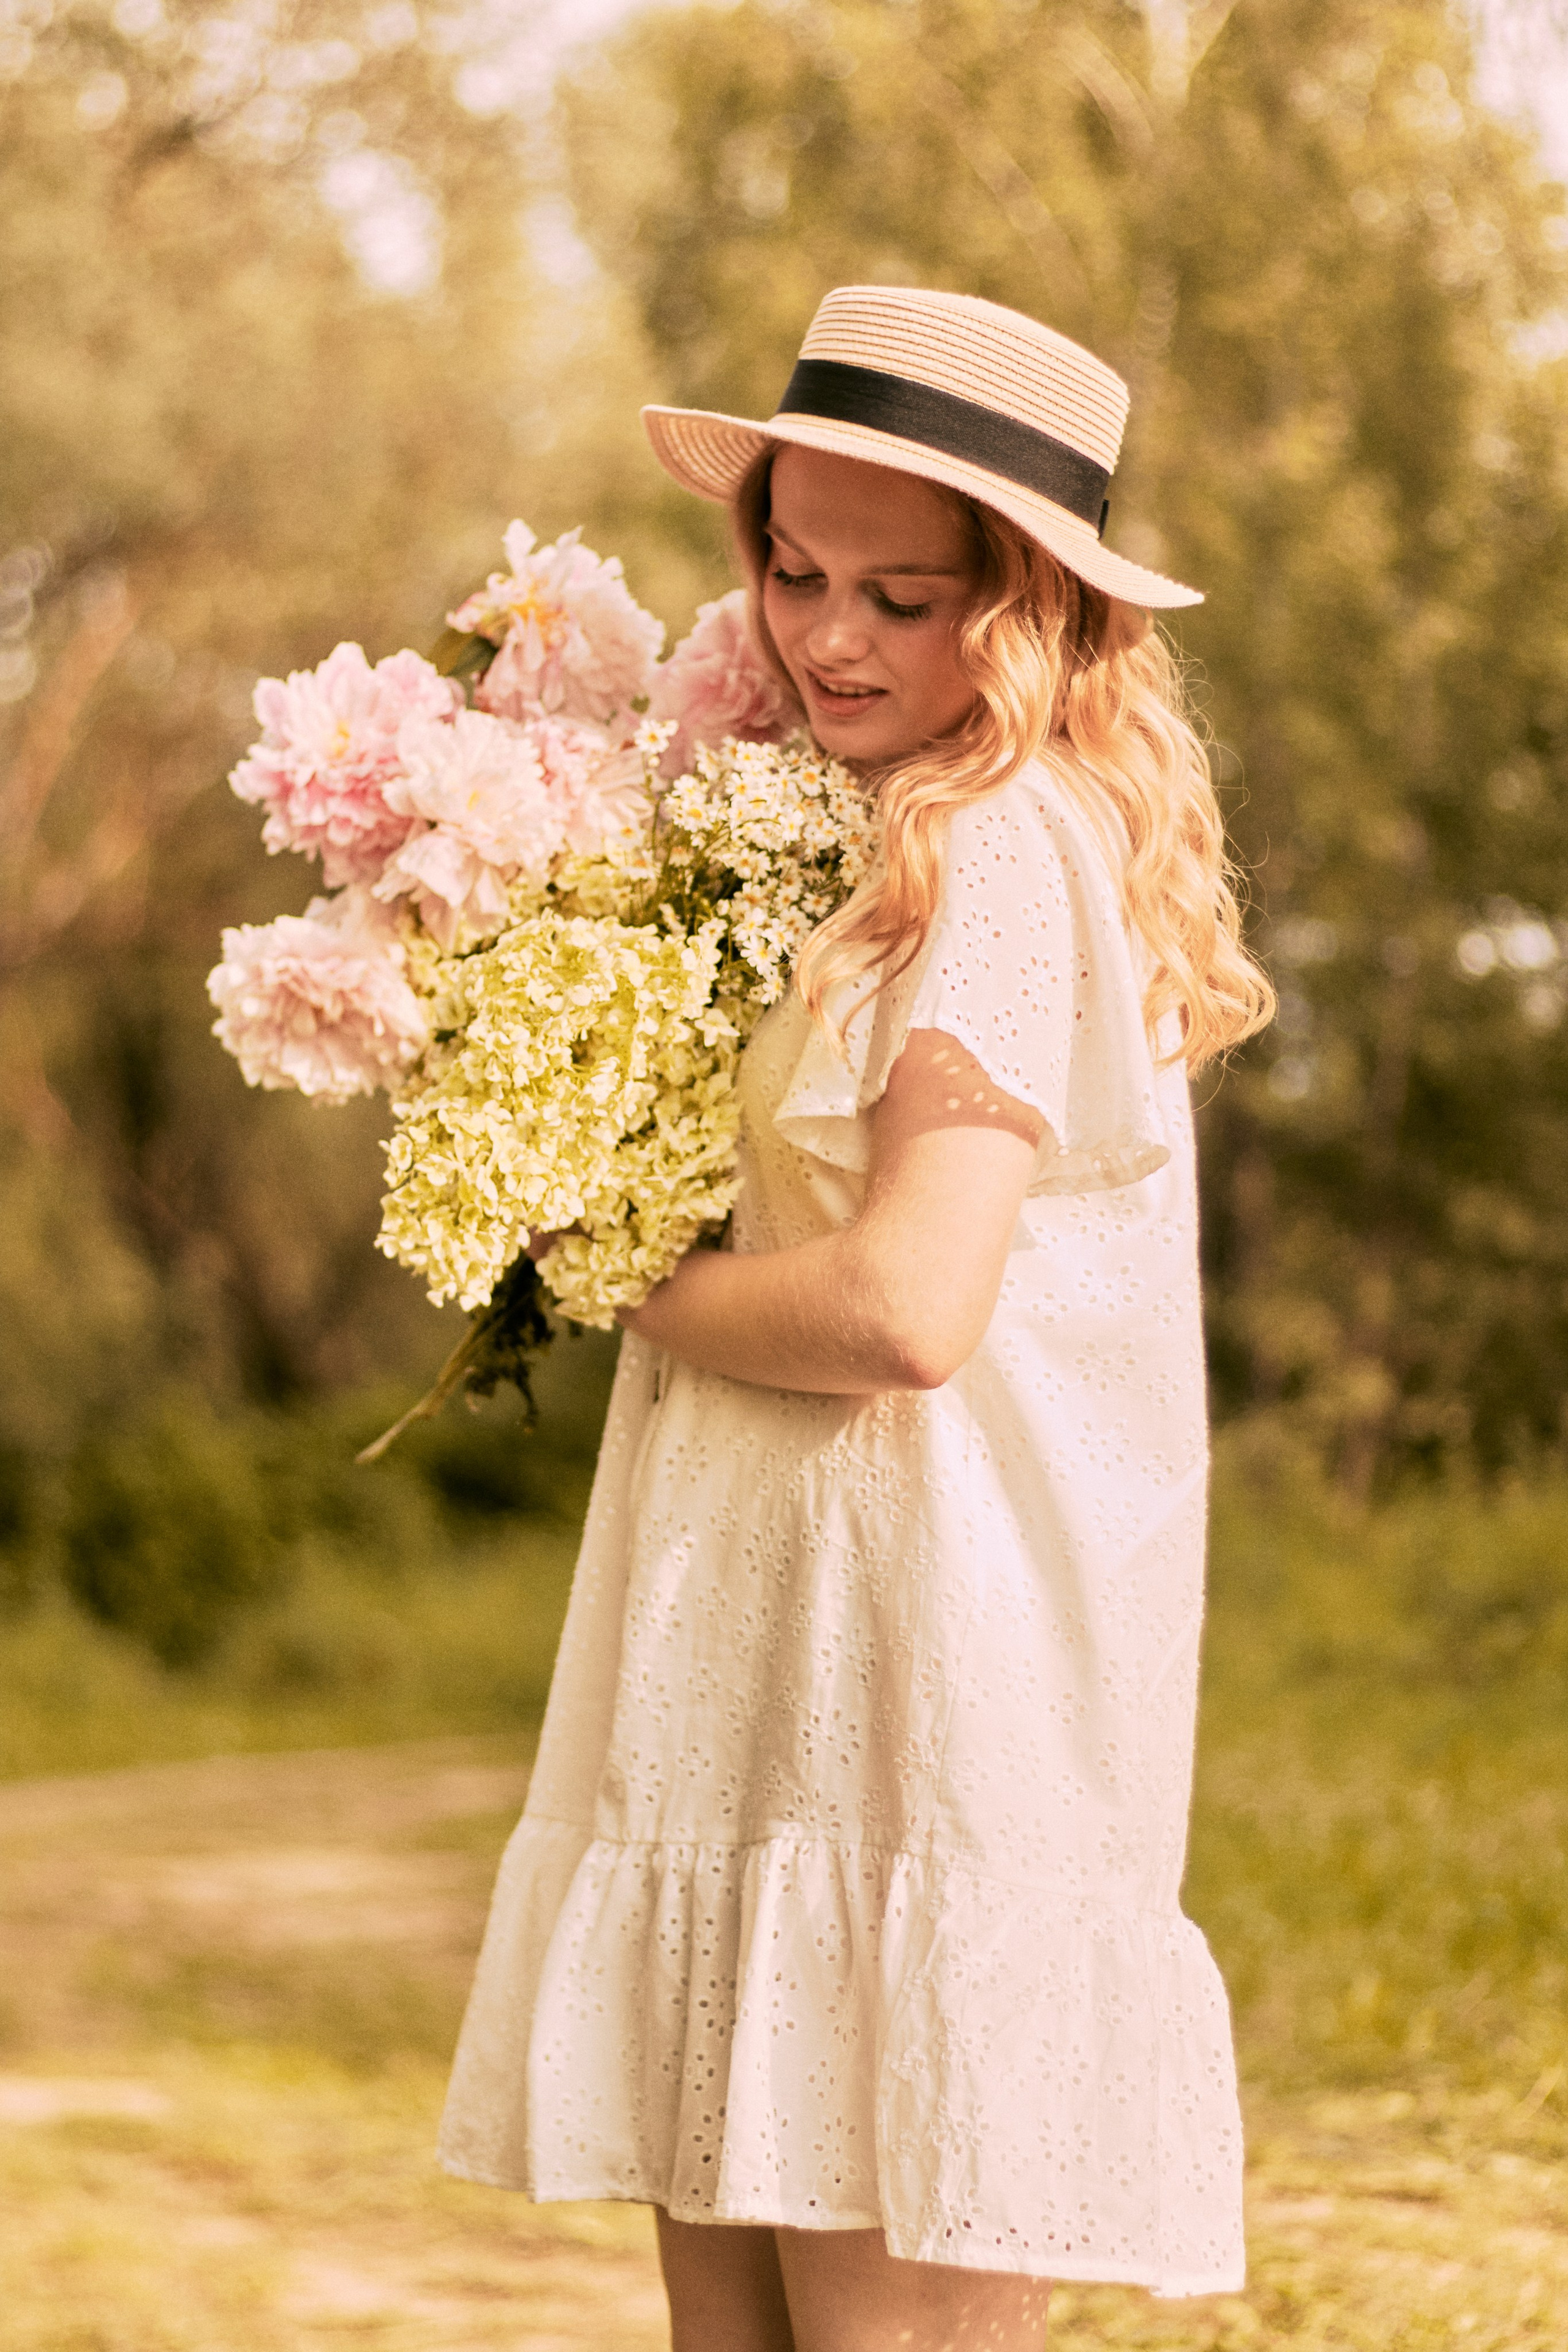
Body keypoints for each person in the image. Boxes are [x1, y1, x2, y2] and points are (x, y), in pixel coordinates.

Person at [437, 284, 1275, 2352]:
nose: (829, 638)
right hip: (768, 1675)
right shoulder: (860, 837)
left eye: (902, 598)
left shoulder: (996, 852)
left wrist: (607, 1264)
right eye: (798, 572)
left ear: (1029, 612)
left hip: (921, 1704)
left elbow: (913, 1305)